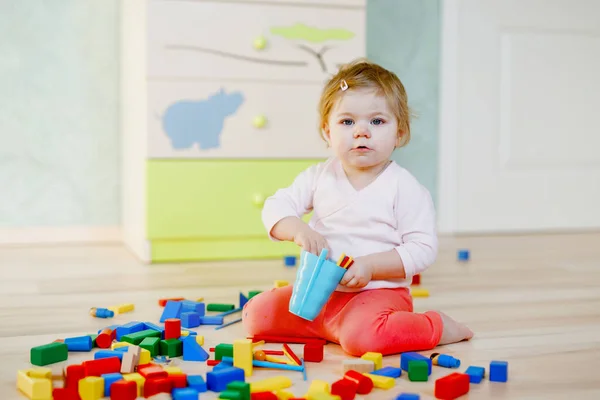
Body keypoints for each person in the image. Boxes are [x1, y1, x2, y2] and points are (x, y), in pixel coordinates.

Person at [242, 58, 473, 356]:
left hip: (379, 295)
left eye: (377, 122)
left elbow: (423, 248)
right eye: (347, 121)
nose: (361, 131)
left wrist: (370, 266)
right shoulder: (319, 176)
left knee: (363, 339)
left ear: (400, 133)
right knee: (255, 317)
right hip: (319, 295)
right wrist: (296, 228)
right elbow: (276, 206)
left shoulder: (405, 187)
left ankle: (437, 327)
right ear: (328, 132)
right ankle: (330, 328)